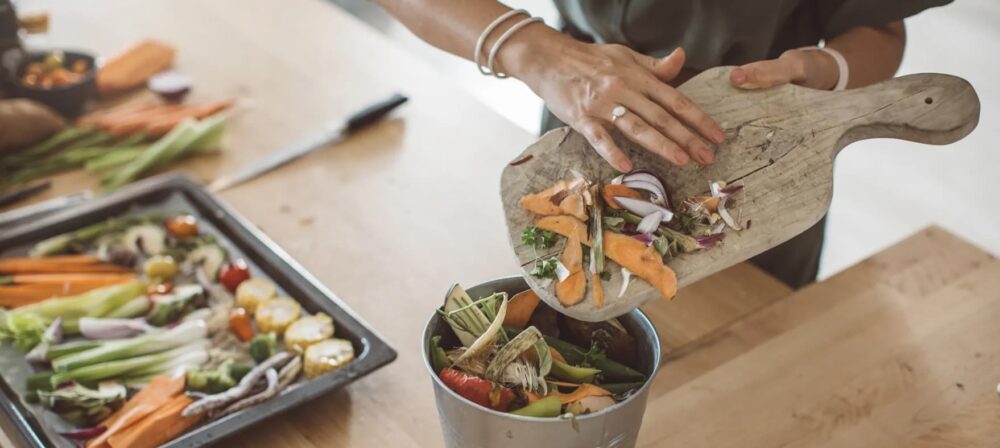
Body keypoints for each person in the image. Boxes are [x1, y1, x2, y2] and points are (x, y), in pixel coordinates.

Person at [374, 0, 951, 288]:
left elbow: (877, 23)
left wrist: (828, 70)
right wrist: (533, 51)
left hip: (765, 153)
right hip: (584, 126)